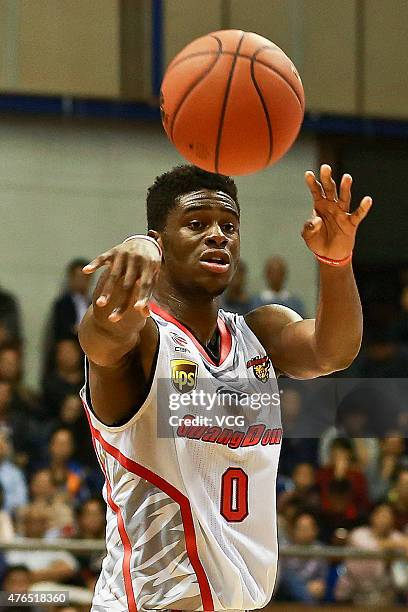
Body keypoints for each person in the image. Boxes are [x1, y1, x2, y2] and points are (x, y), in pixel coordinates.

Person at [78, 163, 372, 611]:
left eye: (229, 226)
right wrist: (132, 264)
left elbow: (333, 352)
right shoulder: (145, 338)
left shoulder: (262, 333)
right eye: (197, 224)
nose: (218, 236)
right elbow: (104, 332)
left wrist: (336, 262)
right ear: (160, 243)